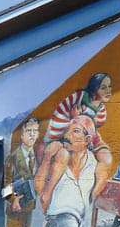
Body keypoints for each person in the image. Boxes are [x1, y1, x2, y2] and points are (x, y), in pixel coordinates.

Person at [35, 116, 98, 227]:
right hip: (59, 219)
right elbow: (40, 190)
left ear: (87, 140)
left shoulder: (92, 163)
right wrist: (47, 157)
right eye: (68, 130)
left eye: (75, 131)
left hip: (74, 223)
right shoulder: (59, 156)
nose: (68, 135)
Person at [42, 73, 113, 206]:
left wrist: (83, 121)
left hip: (87, 134)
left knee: (107, 158)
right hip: (64, 131)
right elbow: (60, 118)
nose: (108, 91)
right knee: (62, 156)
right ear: (94, 89)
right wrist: (75, 118)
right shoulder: (78, 97)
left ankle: (91, 197)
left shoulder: (102, 110)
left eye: (109, 87)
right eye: (103, 87)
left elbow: (93, 129)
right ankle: (49, 195)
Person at [1, 117, 39, 227]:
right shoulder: (13, 158)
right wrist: (13, 200)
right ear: (22, 135)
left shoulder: (35, 157)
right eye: (28, 131)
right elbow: (5, 188)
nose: (32, 134)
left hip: (29, 207)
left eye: (35, 131)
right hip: (15, 210)